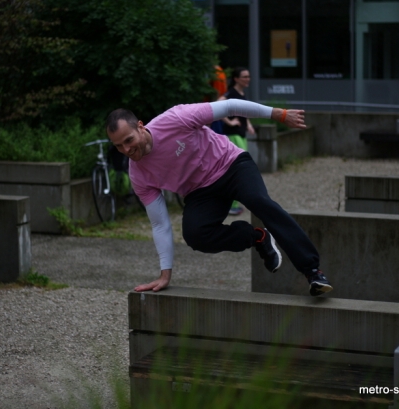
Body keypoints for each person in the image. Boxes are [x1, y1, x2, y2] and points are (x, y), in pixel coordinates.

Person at [105, 99, 333, 297]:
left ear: (141, 127)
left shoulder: (175, 118)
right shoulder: (138, 175)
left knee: (259, 202)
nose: (126, 150)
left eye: (128, 140)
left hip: (231, 165)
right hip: (200, 191)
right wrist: (165, 274)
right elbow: (160, 224)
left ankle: (313, 272)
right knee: (196, 235)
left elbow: (230, 106)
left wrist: (279, 114)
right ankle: (257, 237)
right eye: (118, 146)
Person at [217, 67, 255, 215]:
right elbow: (217, 104)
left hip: (241, 134)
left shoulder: (241, 94)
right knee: (237, 168)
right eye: (244, 77)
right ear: (236, 79)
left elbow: (245, 112)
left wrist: (249, 125)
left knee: (240, 168)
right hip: (233, 135)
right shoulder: (230, 94)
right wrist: (229, 122)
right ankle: (230, 205)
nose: (248, 79)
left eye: (248, 76)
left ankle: (233, 203)